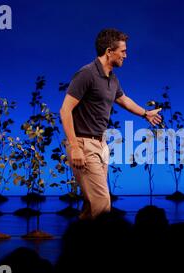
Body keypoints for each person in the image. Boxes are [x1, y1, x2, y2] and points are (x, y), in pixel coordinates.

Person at [60, 28, 162, 219]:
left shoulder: (111, 78)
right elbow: (65, 110)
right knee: (102, 203)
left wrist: (145, 113)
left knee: (92, 207)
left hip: (100, 144)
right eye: (122, 51)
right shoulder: (87, 74)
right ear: (109, 51)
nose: (126, 55)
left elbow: (123, 99)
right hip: (83, 144)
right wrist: (74, 147)